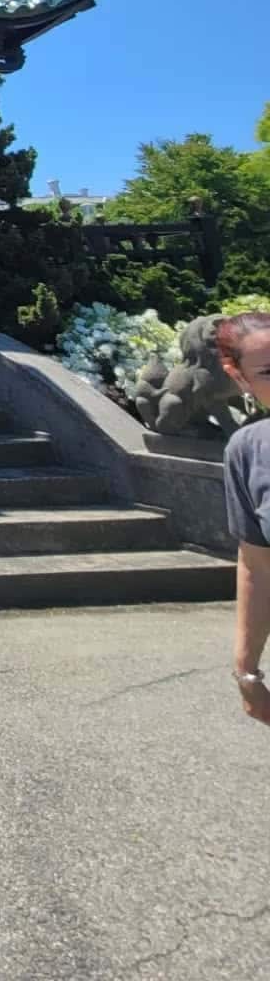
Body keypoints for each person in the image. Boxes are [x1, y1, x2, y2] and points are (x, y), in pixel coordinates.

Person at [220, 311, 270, 728]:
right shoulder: (248, 451)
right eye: (269, 372)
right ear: (240, 378)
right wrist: (246, 670)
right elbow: (256, 566)